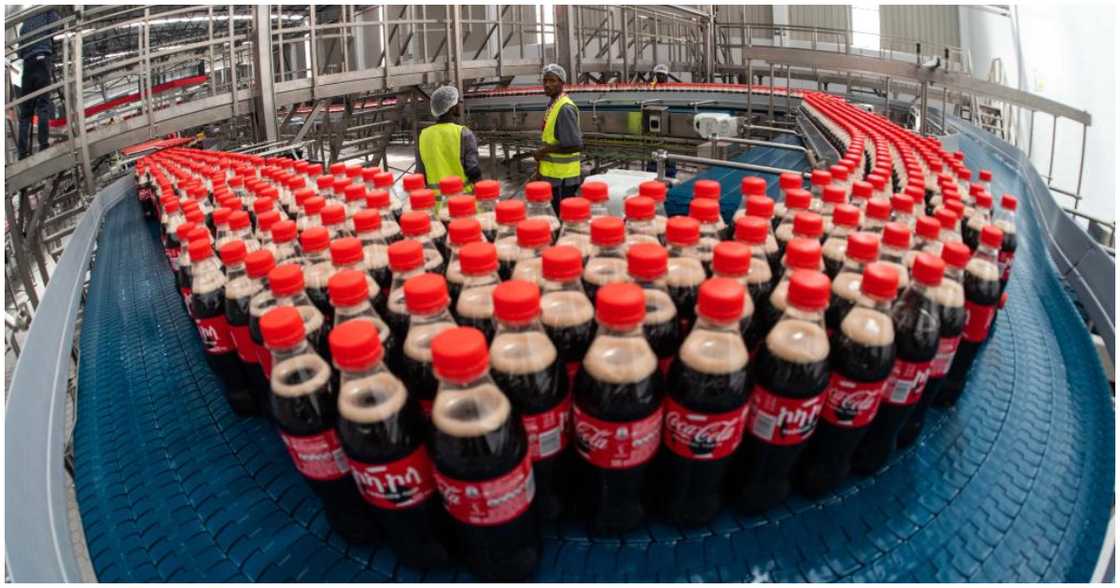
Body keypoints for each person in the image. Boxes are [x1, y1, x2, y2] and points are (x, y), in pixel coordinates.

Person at [533, 64, 583, 212]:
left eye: (552, 81)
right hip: (553, 175)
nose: (547, 84)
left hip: (563, 179)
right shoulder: (553, 105)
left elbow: (576, 145)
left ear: (562, 83)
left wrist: (544, 150)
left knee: (563, 219)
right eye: (545, 81)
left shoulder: (565, 108)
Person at [416, 85, 482, 193]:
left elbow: (420, 172)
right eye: (458, 102)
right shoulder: (463, 133)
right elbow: (473, 170)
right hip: (463, 201)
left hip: (435, 202)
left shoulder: (424, 135)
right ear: (452, 107)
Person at [17, 8, 61, 160]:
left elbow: (19, 52)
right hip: (42, 58)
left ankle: (22, 152)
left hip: (28, 64)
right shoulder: (48, 11)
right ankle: (43, 144)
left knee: (25, 113)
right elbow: (55, 28)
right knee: (43, 105)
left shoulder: (24, 22)